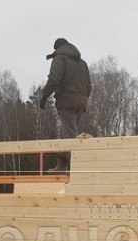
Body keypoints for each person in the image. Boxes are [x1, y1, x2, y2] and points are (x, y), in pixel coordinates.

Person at [40, 38, 92, 174]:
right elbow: (89, 85)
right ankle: (62, 167)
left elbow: (54, 79)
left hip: (67, 101)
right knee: (68, 132)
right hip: (81, 103)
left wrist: (45, 96)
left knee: (69, 134)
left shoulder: (60, 58)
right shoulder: (82, 63)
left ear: (57, 48)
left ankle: (76, 166)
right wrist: (82, 98)